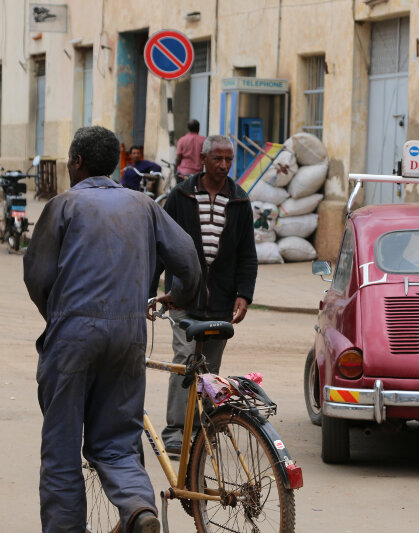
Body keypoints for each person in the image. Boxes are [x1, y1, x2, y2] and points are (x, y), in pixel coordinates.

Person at [23, 126, 201, 533]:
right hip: (128, 336)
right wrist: (178, 295)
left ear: (77, 163)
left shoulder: (63, 205)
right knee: (118, 440)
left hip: (72, 334)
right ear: (118, 165)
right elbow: (187, 258)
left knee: (62, 450)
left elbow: (37, 276)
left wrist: (57, 316)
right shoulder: (145, 205)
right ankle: (140, 509)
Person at [154, 134, 258, 454]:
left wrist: (244, 294)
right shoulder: (181, 196)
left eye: (229, 160)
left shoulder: (240, 201)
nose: (224, 165)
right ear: (203, 159)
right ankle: (175, 429)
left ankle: (202, 428)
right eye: (218, 159)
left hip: (222, 302)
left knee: (210, 370)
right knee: (185, 361)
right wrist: (150, 289)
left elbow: (247, 254)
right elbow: (162, 246)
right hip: (184, 299)